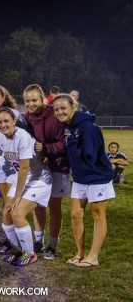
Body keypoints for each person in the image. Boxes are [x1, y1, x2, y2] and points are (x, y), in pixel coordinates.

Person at [0, 107, 52, 266]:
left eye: (6, 121)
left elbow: (25, 168)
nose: (3, 125)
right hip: (22, 178)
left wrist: (17, 198)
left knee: (17, 212)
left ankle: (30, 254)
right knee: (6, 213)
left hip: (38, 180)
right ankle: (17, 250)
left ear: (14, 121)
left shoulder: (23, 137)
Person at [53, 94, 115, 267]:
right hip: (80, 178)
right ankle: (80, 253)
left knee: (97, 214)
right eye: (56, 110)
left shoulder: (88, 127)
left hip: (97, 176)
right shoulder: (67, 127)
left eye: (63, 108)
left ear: (73, 106)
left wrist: (71, 142)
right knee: (75, 214)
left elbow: (90, 154)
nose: (60, 112)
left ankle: (93, 256)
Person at [23, 84, 70, 260]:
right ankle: (38, 241)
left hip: (58, 167)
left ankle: (52, 245)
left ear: (43, 99)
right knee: (38, 205)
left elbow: (64, 143)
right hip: (40, 169)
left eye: (34, 100)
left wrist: (47, 151)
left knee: (55, 207)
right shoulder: (27, 117)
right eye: (27, 101)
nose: (31, 104)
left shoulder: (55, 116)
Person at [0, 84, 26, 254]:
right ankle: (11, 240)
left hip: (12, 164)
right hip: (1, 164)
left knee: (10, 204)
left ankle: (18, 242)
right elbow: (3, 136)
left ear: (3, 97)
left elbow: (23, 136)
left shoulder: (13, 114)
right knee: (5, 203)